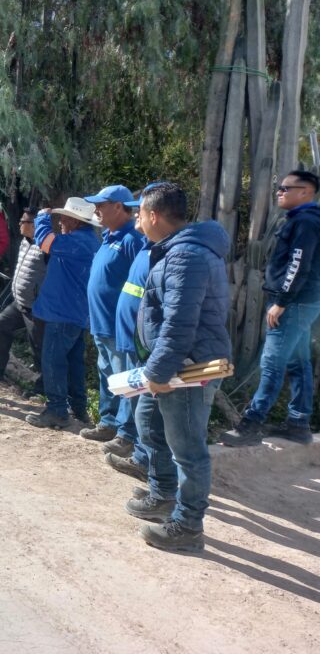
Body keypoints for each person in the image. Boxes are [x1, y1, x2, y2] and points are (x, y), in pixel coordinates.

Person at [125, 183, 230, 553]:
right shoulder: (177, 250)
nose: (136, 222)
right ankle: (163, 495)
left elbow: (180, 323)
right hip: (170, 365)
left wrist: (158, 372)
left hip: (188, 369)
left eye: (138, 214)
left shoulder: (186, 255)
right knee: (148, 425)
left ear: (153, 215)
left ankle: (188, 526)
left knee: (187, 449)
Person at [221, 169, 320, 446]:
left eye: (286, 188)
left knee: (272, 362)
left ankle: (251, 425)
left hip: (294, 303)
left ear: (305, 193)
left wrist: (281, 302)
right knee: (298, 362)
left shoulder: (306, 223)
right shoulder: (302, 220)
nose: (279, 191)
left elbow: (298, 264)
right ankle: (298, 422)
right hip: (302, 302)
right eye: (279, 187)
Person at [24, 197, 99, 429]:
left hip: (63, 314)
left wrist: (43, 217)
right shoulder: (87, 241)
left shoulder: (77, 242)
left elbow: (44, 241)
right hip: (74, 314)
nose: (61, 222)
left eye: (64, 218)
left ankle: (57, 410)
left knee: (53, 361)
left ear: (76, 221)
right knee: (73, 363)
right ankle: (78, 409)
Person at [103, 185, 162, 481]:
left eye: (139, 209)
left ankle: (145, 460)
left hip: (143, 343)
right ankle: (139, 453)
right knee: (136, 398)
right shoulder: (146, 246)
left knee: (145, 406)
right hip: (129, 336)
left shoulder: (159, 251)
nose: (135, 213)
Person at [79, 185, 146, 444]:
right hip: (101, 323)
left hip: (119, 329)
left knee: (125, 381)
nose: (96, 210)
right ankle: (108, 422)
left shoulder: (133, 240)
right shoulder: (108, 236)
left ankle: (127, 434)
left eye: (101, 205)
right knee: (107, 375)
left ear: (119, 207)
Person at [0, 208, 46, 388]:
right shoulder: (24, 242)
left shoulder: (45, 247)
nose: (19, 224)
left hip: (35, 306)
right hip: (19, 302)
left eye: (23, 221)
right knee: (0, 324)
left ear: (34, 225)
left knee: (38, 346)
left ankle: (44, 385)